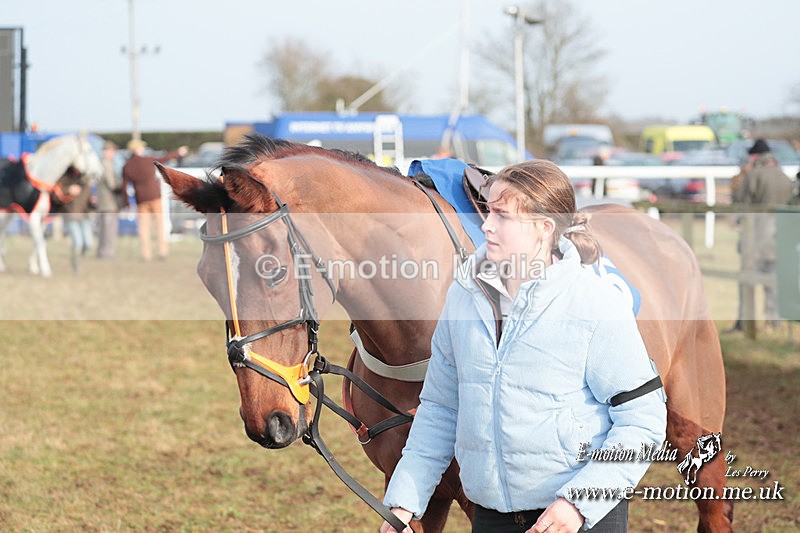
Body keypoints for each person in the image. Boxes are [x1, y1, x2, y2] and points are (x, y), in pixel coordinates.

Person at [380, 160, 667, 533]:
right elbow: (439, 409)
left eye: (502, 215)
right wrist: (403, 505)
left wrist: (578, 505)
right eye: (487, 212)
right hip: (490, 515)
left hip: (578, 518)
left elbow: (642, 421)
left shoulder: (594, 304)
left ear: (543, 229)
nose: (485, 225)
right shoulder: (462, 299)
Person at [729, 138, 793, 329]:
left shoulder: (754, 175)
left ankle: (744, 323)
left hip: (755, 238)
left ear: (756, 156)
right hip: (778, 238)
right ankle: (774, 322)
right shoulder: (784, 177)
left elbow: (742, 205)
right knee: (772, 281)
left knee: (746, 281)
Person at [121, 139, 188, 261]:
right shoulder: (148, 160)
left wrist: (127, 203)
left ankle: (146, 254)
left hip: (140, 199)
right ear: (138, 148)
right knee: (159, 225)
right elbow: (164, 158)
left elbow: (124, 187)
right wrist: (178, 152)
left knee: (143, 228)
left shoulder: (127, 166)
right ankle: (162, 251)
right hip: (155, 197)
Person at [55, 166, 93, 274]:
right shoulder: (64, 177)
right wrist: (68, 190)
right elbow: (56, 195)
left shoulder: (85, 179)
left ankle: (80, 260)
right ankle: (76, 266)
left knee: (88, 243)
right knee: (78, 243)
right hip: (70, 215)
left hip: (84, 215)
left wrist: (92, 202)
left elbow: (88, 197)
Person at [95, 141, 123, 259]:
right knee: (109, 230)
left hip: (103, 202)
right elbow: (112, 184)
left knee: (103, 229)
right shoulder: (107, 164)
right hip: (109, 203)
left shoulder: (101, 163)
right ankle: (108, 253)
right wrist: (122, 184)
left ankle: (102, 252)